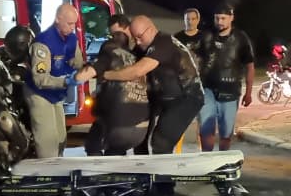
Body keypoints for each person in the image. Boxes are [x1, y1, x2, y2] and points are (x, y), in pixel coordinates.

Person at [81, 15, 203, 154]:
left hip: (186, 97)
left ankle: (161, 173)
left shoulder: (163, 43)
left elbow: (136, 71)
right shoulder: (144, 46)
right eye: (135, 38)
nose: (137, 42)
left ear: (150, 30)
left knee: (161, 140)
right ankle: (143, 170)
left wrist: (104, 74)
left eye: (140, 37)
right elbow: (126, 62)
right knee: (143, 138)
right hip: (162, 97)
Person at [83, 14, 150, 155]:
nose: (115, 38)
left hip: (127, 116)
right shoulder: (135, 51)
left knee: (96, 144)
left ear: (127, 28)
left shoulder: (136, 48)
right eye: (113, 34)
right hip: (139, 116)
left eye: (117, 33)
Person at [24, 3, 85, 158]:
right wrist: (66, 82)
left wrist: (86, 69)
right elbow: (40, 79)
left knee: (60, 139)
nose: (73, 27)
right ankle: (46, 173)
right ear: (58, 19)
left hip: (56, 94)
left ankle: (58, 168)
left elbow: (77, 62)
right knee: (48, 142)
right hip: (40, 93)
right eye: (69, 23)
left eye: (74, 24)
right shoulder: (43, 43)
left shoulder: (71, 38)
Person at [197, 3, 255, 151]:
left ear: (231, 18)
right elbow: (196, 60)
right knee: (206, 130)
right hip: (207, 90)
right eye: (217, 18)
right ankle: (207, 161)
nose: (220, 22)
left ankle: (222, 161)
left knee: (226, 133)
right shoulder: (206, 35)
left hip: (230, 91)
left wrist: (248, 93)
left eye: (223, 18)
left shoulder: (241, 38)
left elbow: (250, 66)